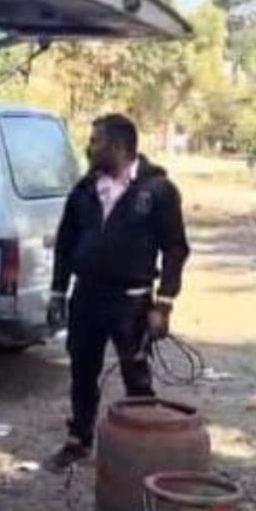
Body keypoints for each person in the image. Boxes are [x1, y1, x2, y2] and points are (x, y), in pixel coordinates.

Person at [43, 114, 190, 472]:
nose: (89, 147)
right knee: (82, 369)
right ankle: (79, 439)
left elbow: (175, 248)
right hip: (87, 297)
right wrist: (58, 292)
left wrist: (164, 303)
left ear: (120, 147)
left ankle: (145, 447)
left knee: (136, 373)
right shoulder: (84, 190)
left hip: (133, 300)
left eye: (96, 141)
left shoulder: (157, 191)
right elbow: (65, 244)